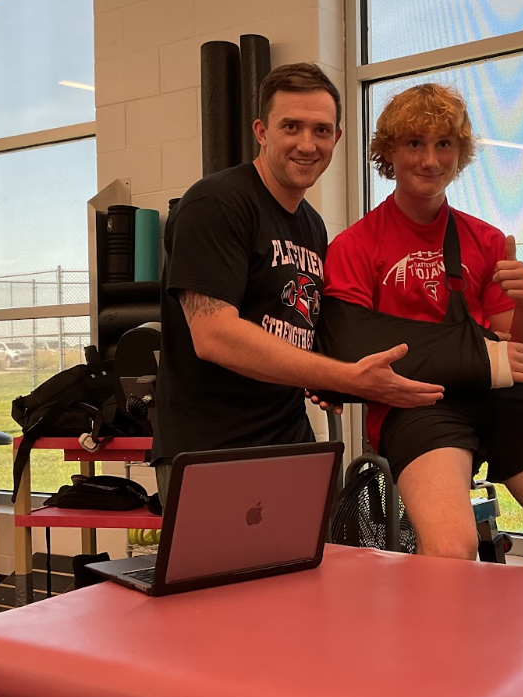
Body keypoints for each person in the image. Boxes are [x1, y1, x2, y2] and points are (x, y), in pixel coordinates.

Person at [323, 83, 523, 576]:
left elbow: (514, 355)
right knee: (450, 553)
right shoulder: (356, 245)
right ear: (389, 152)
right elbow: (348, 347)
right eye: (414, 144)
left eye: (444, 144)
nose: (430, 159)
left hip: (499, 397)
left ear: (459, 154)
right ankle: (441, 654)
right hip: (416, 402)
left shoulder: (484, 240)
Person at [152, 64, 443, 498]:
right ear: (262, 131)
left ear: (337, 139)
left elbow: (295, 327)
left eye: (321, 131)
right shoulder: (215, 204)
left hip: (290, 442)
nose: (307, 145)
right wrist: (345, 376)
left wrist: (324, 377)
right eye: (292, 127)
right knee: (228, 570)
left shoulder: (311, 226)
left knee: (310, 568)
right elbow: (214, 335)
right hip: (211, 451)